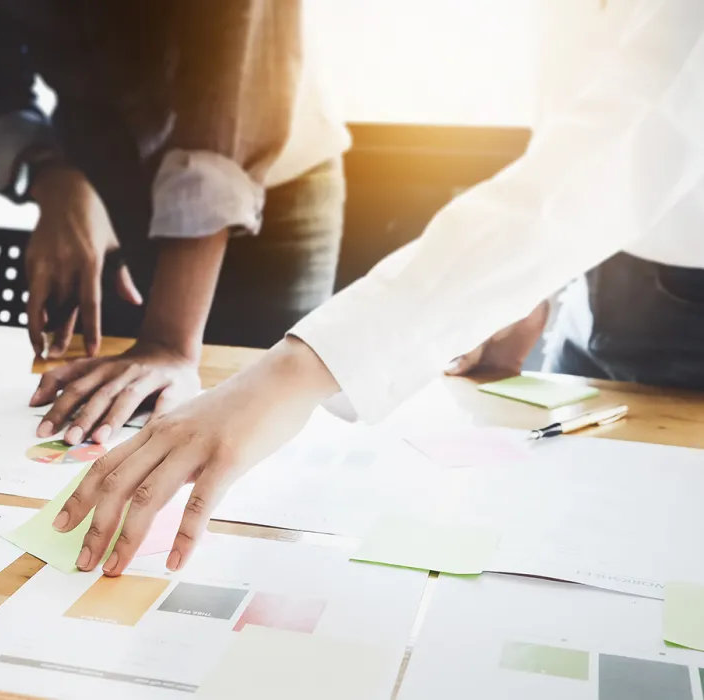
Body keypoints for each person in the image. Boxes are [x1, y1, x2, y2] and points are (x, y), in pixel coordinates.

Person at [51, 0, 704, 577]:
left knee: (663, 566)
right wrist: (531, 276)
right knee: (575, 539)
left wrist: (289, 373)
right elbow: (593, 117)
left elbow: (643, 130)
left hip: (686, 302)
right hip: (604, 268)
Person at [0, 0, 348, 444]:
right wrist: (52, 176)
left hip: (271, 176)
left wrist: (168, 342)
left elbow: (226, 105)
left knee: (266, 423)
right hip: (110, 180)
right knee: (125, 414)